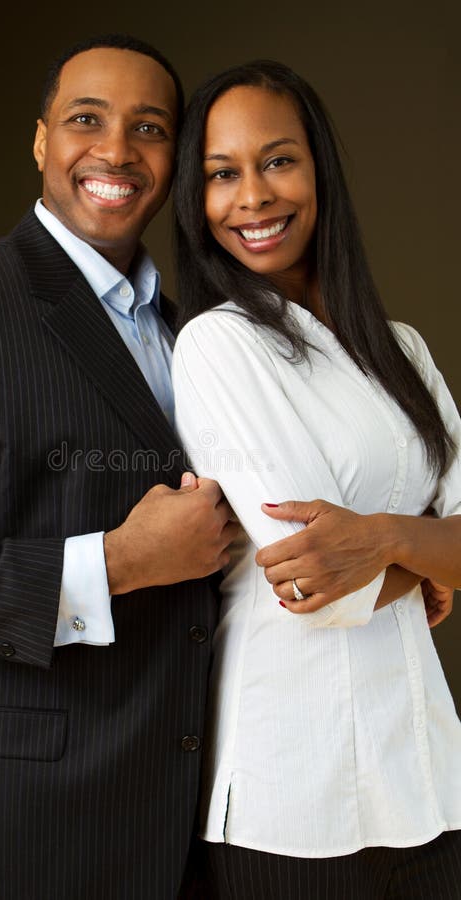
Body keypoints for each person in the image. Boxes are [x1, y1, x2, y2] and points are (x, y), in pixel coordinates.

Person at [0, 34, 241, 900]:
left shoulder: (198, 335)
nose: (115, 150)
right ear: (41, 141)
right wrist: (116, 563)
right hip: (27, 823)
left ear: (174, 158)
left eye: (148, 127)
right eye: (86, 120)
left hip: (188, 812)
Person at [172, 60, 461, 899]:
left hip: (430, 775)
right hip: (292, 798)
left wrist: (385, 544)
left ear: (318, 168)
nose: (252, 196)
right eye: (221, 174)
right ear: (198, 201)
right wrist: (433, 559)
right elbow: (315, 587)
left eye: (277, 160)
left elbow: (364, 563)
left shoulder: (402, 348)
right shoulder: (220, 346)